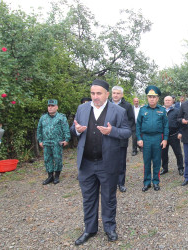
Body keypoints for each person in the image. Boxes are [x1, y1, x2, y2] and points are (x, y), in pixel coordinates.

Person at [70, 79, 131, 245]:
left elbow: (127, 132)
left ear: (107, 94)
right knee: (88, 198)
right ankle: (89, 229)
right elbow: (73, 129)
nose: (95, 97)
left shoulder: (118, 111)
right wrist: (76, 129)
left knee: (109, 197)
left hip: (107, 163)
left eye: (98, 93)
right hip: (87, 163)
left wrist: (112, 131)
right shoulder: (82, 109)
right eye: (92, 93)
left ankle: (110, 227)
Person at [136, 86, 169, 192]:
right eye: (150, 97)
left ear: (157, 98)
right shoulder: (142, 110)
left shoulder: (162, 110)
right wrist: (139, 138)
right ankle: (146, 183)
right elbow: (138, 126)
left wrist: (165, 139)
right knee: (146, 162)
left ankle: (155, 182)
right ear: (147, 98)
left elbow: (166, 126)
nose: (152, 99)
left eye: (154, 97)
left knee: (156, 161)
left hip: (157, 138)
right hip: (146, 138)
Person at [37, 99, 71, 185]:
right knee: (47, 159)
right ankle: (50, 176)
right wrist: (40, 140)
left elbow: (66, 129)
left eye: (52, 106)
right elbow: (39, 129)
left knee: (57, 158)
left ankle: (57, 176)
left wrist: (67, 139)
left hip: (57, 142)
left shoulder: (61, 117)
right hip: (46, 142)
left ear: (57, 107)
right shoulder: (43, 118)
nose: (50, 108)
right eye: (49, 106)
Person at [111, 86, 135, 193]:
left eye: (118, 93)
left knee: (121, 162)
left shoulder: (127, 106)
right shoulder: (105, 104)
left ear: (122, 95)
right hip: (108, 138)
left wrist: (123, 131)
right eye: (114, 93)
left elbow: (131, 121)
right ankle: (109, 183)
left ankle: (121, 183)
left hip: (121, 138)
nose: (115, 95)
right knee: (108, 162)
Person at [161, 96, 184, 176]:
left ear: (172, 101)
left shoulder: (177, 111)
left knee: (178, 153)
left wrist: (180, 132)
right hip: (163, 137)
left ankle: (180, 168)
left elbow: (180, 122)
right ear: (164, 101)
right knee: (163, 153)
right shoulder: (160, 111)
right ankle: (165, 168)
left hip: (174, 135)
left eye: (169, 100)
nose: (167, 101)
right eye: (166, 100)